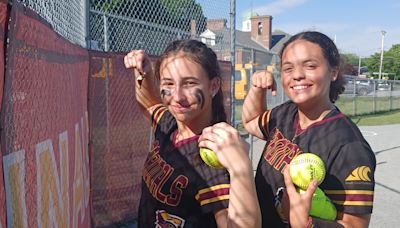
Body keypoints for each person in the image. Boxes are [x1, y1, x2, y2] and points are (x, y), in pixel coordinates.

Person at [242, 31, 376, 227]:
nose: (297, 75)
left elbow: (355, 224)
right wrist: (257, 88)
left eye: (310, 66)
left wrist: (306, 224)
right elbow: (252, 121)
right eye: (288, 68)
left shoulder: (349, 146)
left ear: (333, 72)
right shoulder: (285, 113)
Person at [124, 39, 260, 228]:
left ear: (213, 86)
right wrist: (143, 74)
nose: (177, 96)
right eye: (169, 84)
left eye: (189, 83)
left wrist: (241, 169)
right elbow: (149, 104)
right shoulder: (170, 125)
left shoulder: (212, 153)